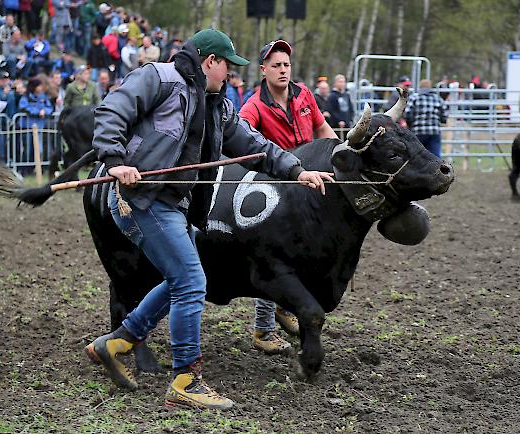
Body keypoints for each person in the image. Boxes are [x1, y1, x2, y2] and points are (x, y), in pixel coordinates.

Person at [84, 28, 333, 411]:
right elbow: (112, 110)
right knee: (191, 281)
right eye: (228, 67)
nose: (232, 76)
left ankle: (115, 343)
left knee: (181, 278)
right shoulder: (158, 77)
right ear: (210, 61)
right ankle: (186, 380)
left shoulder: (218, 105)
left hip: (174, 205)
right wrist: (116, 162)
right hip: (141, 199)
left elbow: (255, 146)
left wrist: (297, 171)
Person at [238, 39, 337, 354]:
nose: (282, 70)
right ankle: (264, 329)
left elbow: (322, 130)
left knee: (307, 251)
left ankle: (287, 307)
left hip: (311, 183)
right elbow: (240, 141)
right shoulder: (253, 106)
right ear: (263, 69)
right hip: (276, 188)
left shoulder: (305, 94)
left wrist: (340, 154)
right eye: (276, 65)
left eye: (286, 65)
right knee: (274, 253)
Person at [404, 79, 447, 158]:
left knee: (417, 155)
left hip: (418, 131)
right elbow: (444, 117)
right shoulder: (438, 99)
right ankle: (438, 169)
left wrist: (410, 125)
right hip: (434, 131)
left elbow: (407, 114)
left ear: (420, 87)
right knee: (435, 156)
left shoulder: (414, 98)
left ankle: (417, 170)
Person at [17, 77, 53, 167]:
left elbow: (49, 107)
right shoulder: (26, 97)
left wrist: (45, 111)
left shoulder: (43, 96)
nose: (41, 88)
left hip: (39, 126)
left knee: (39, 149)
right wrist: (37, 112)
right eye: (39, 86)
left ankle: (38, 168)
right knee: (28, 149)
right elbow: (24, 108)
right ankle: (26, 168)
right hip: (27, 126)